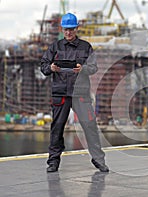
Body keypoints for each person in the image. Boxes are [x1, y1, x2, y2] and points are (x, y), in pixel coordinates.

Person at [41, 13, 109, 173]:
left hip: (80, 94)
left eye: (71, 29)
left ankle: (99, 160)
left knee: (90, 127)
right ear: (62, 29)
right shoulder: (54, 47)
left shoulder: (86, 47)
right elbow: (43, 66)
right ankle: (53, 162)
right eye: (66, 29)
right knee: (57, 127)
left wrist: (83, 69)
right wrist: (50, 68)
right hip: (61, 94)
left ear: (77, 28)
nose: (69, 32)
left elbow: (94, 67)